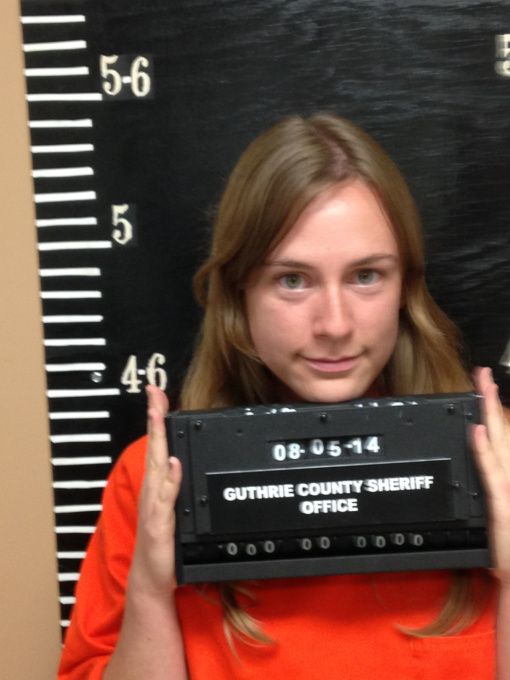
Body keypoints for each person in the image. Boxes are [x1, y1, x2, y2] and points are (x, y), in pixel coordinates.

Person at [58, 113, 510, 680]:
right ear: (239, 295)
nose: (335, 324)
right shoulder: (150, 482)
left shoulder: (499, 464)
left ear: (406, 289)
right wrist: (151, 591)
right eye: (292, 280)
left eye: (366, 275)